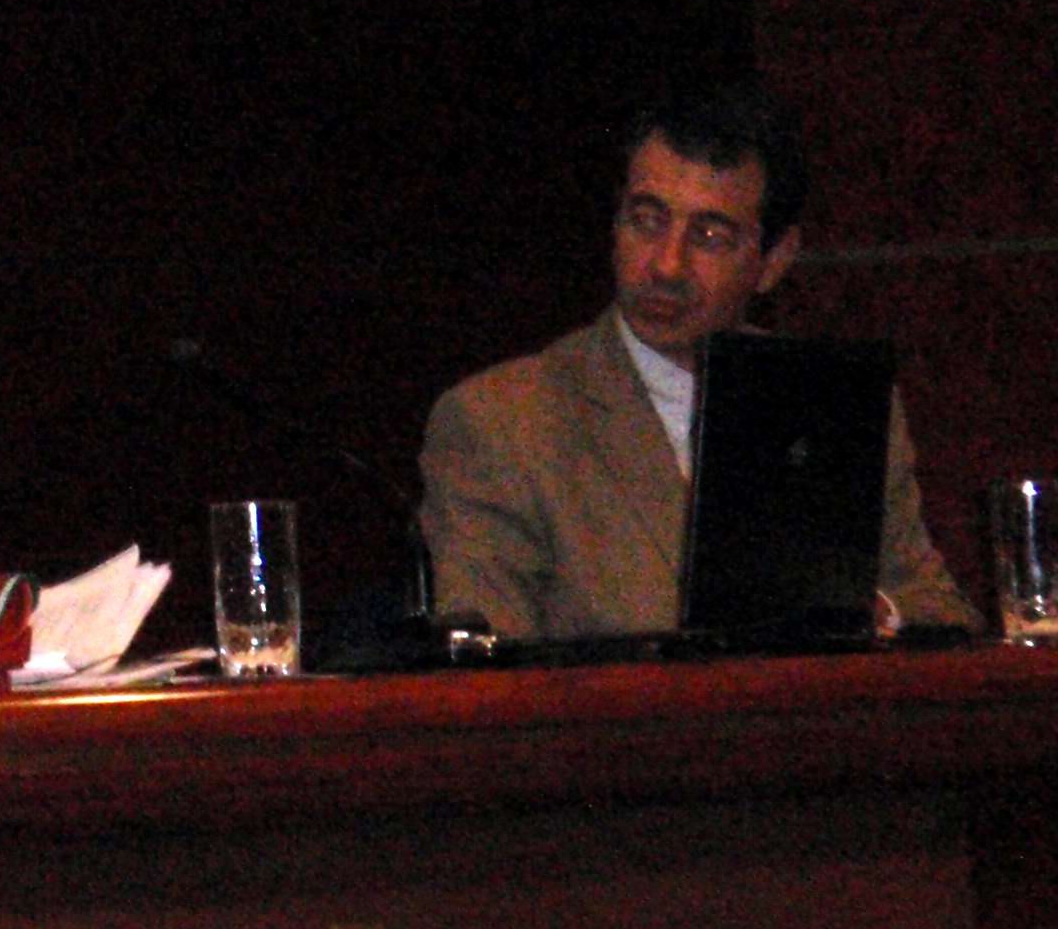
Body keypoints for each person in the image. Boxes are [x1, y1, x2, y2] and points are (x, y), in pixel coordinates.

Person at [416, 80, 971, 640]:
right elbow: (487, 668)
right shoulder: (503, 423)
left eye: (708, 235)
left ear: (774, 261)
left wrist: (869, 613)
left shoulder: (835, 405)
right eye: (647, 221)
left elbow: (942, 612)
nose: (667, 265)